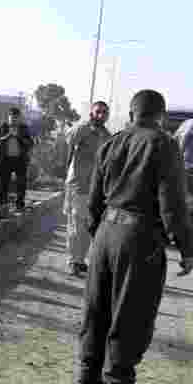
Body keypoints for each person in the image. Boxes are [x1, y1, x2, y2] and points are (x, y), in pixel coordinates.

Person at [76, 89, 193, 384]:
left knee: (97, 311)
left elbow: (94, 200)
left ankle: (87, 383)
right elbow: (172, 203)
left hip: (105, 234)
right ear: (161, 116)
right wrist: (186, 248)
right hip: (139, 238)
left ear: (131, 114)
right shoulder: (164, 144)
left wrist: (99, 236)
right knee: (131, 317)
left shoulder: (111, 143)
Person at [64, 101, 111, 277]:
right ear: (91, 113)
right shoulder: (83, 129)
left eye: (104, 112)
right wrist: (86, 124)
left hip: (96, 189)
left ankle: (80, 259)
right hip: (78, 185)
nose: (101, 115)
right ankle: (73, 261)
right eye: (98, 111)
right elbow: (70, 138)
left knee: (88, 226)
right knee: (76, 225)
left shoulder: (107, 135)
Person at [0, 107, 34, 211]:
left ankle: (20, 204)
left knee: (21, 183)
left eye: (15, 117)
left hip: (20, 160)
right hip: (5, 159)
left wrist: (18, 136)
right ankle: (1, 204)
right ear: (8, 117)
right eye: (11, 117)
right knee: (3, 182)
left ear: (19, 118)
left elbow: (30, 143)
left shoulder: (24, 128)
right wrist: (7, 136)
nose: (13, 119)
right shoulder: (4, 126)